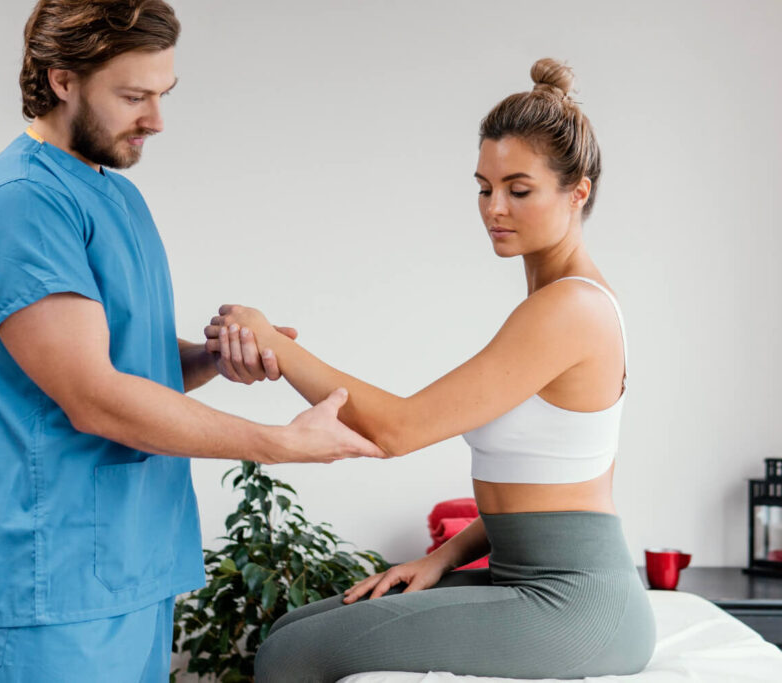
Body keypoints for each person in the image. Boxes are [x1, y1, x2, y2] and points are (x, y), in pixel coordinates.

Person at [0, 2, 383, 681]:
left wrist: (211, 357)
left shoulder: (115, 198)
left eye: (162, 95)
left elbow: (127, 366)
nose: (155, 119)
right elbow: (95, 398)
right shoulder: (23, 202)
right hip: (54, 587)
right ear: (63, 80)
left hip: (130, 566)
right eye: (133, 96)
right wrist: (282, 443)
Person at [207, 58, 656, 681]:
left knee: (290, 656)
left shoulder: (571, 308)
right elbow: (544, 484)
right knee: (291, 629)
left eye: (518, 190)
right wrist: (444, 557)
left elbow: (399, 430)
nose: (494, 208)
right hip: (525, 573)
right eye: (483, 186)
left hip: (577, 605)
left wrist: (268, 341)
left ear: (577, 191)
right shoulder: (556, 302)